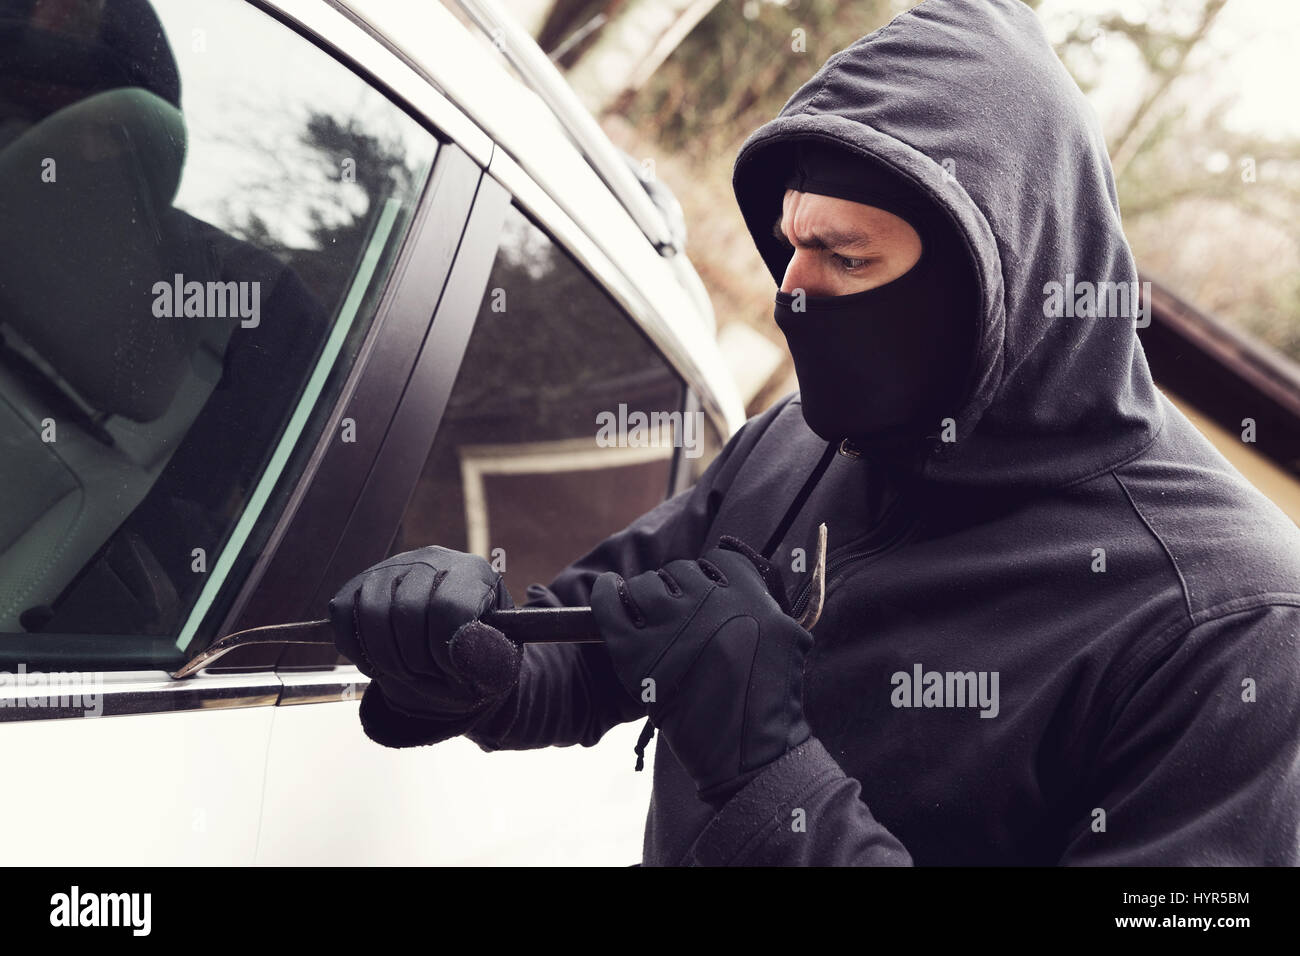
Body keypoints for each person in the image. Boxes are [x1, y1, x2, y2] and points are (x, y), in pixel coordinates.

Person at [327, 0, 1300, 865]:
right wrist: (458, 661)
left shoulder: (1240, 623)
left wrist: (767, 770)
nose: (790, 288)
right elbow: (595, 651)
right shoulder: (794, 446)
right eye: (790, 241)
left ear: (989, 280)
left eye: (842, 255)